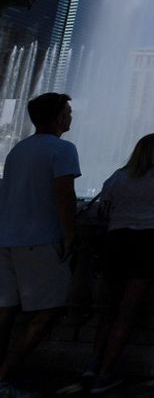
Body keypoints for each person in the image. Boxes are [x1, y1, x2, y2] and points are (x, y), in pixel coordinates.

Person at [88, 133, 154, 394]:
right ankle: (105, 374)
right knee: (126, 311)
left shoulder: (117, 176)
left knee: (108, 309)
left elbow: (104, 211)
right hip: (149, 242)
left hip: (116, 240)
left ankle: (91, 365)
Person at [0, 93, 80, 397]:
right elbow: (64, 196)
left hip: (6, 238)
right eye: (68, 112)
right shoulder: (63, 149)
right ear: (59, 117)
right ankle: (3, 376)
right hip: (40, 240)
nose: (71, 116)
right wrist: (70, 234)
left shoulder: (18, 150)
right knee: (47, 311)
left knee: (5, 311)